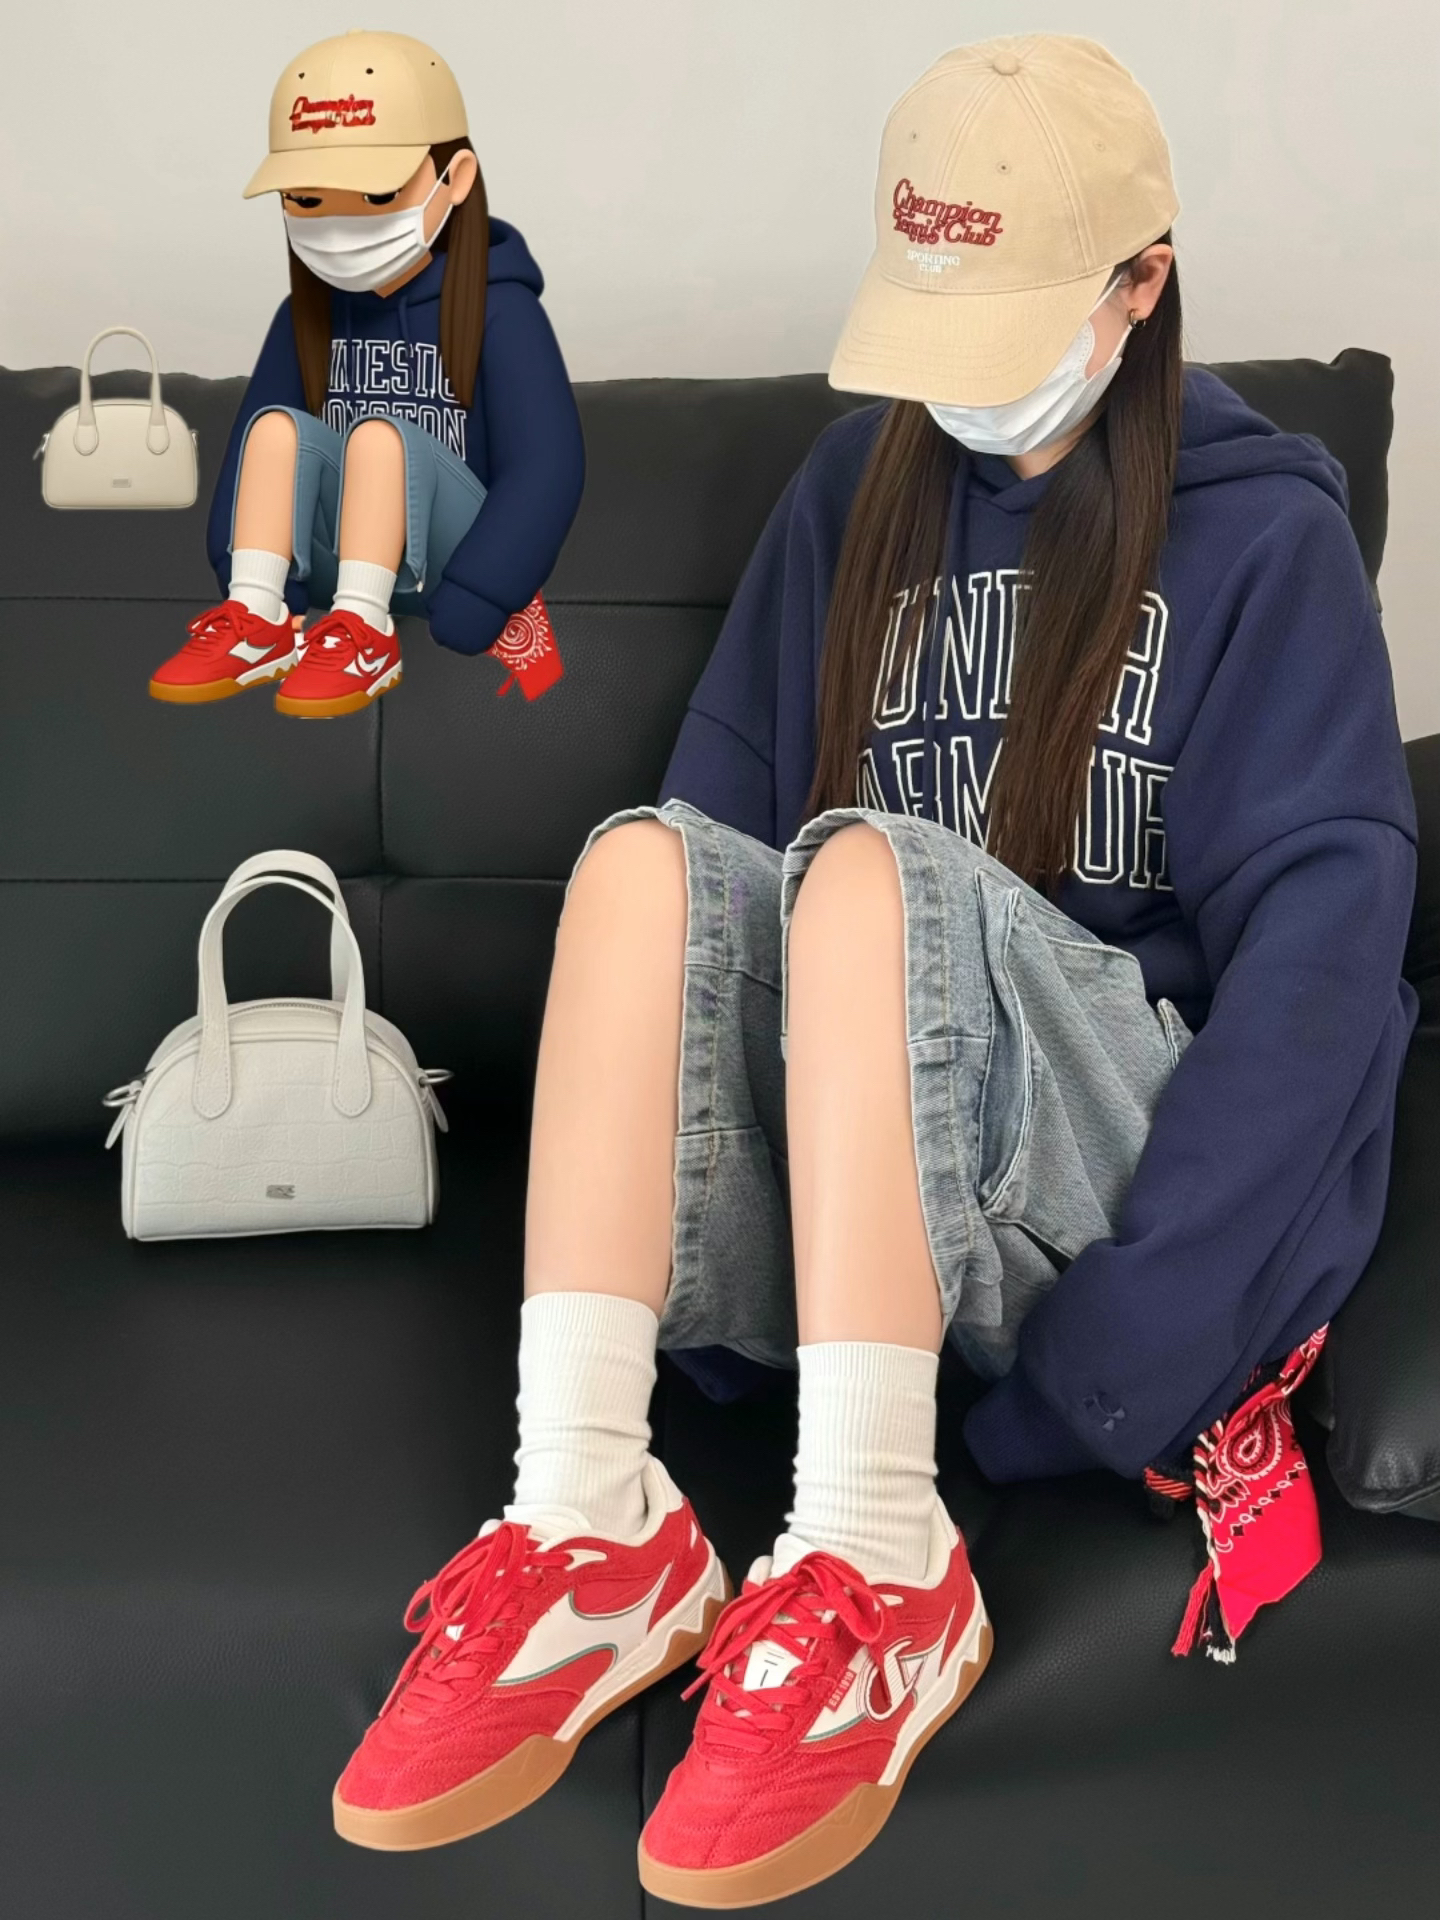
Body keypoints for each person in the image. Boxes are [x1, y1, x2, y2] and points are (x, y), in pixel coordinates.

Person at [330, 33, 1419, 1907]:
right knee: (640, 867)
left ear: (1141, 283)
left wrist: (1114, 1371)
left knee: (864, 881)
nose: (962, 390)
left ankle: (877, 1551)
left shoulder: (1266, 541)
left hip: (1095, 1195)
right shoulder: (855, 493)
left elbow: (1320, 994)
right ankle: (591, 1519)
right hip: (863, 1228)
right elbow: (714, 883)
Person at [148, 30, 584, 715]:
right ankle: (257, 615)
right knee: (274, 429)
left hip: (451, 560)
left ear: (455, 179)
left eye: (376, 195)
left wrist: (483, 592)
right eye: (307, 200)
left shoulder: (501, 311)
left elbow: (546, 465)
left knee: (380, 439)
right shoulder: (305, 315)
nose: (339, 225)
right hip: (337, 556)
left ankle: (367, 632)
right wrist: (240, 569)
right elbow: (247, 453)